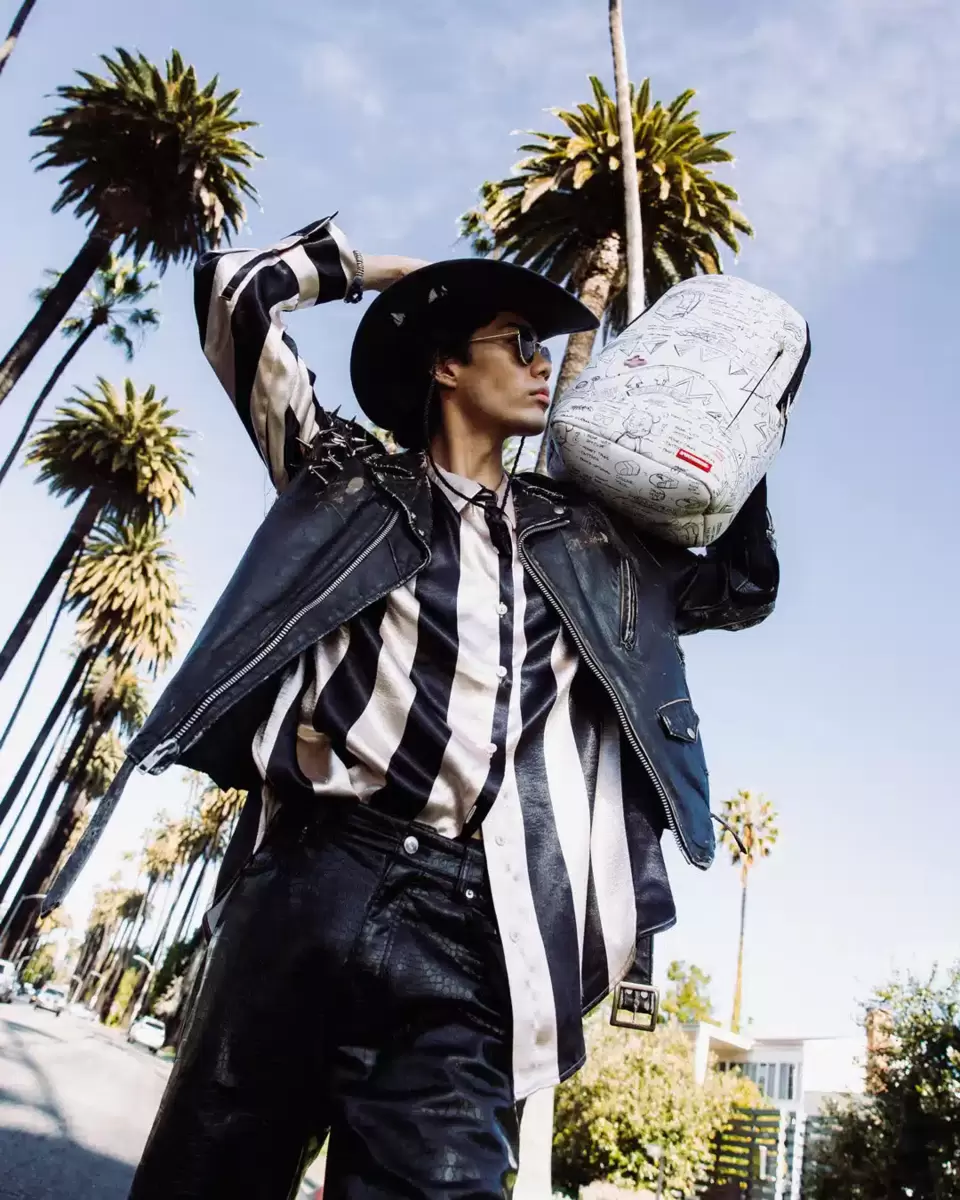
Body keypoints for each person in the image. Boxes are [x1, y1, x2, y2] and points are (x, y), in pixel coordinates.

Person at [69, 213, 778, 1198]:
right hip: (314, 886)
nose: (542, 362)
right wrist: (404, 276)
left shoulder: (587, 547)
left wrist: (734, 421)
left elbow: (740, 588)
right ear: (446, 365)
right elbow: (234, 292)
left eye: (544, 346)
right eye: (517, 341)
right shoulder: (345, 478)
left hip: (477, 932)